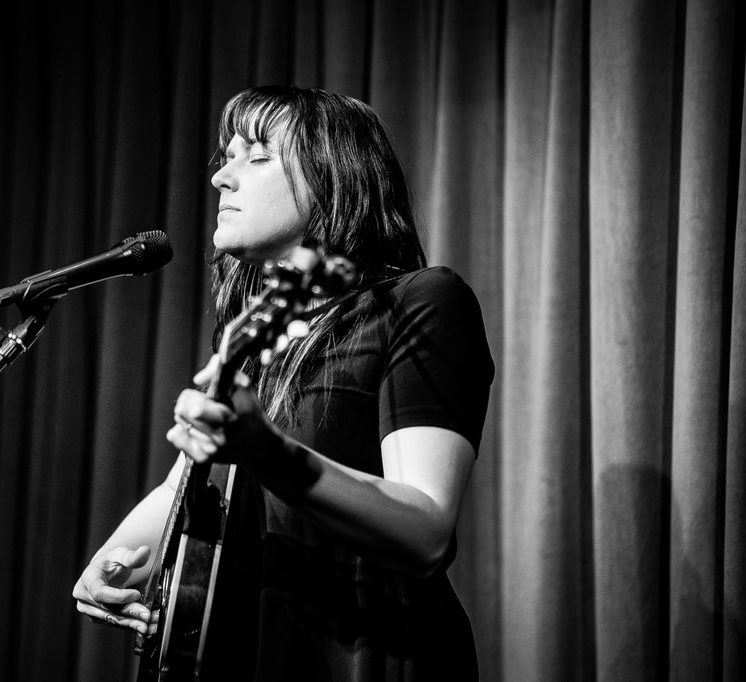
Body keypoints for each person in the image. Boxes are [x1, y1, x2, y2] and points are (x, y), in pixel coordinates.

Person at [73, 85, 494, 680]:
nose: (222, 176)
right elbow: (185, 490)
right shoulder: (258, 342)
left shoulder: (418, 302)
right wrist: (109, 564)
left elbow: (425, 530)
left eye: (257, 155)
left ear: (334, 177)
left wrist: (267, 451)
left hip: (365, 655)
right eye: (227, 154)